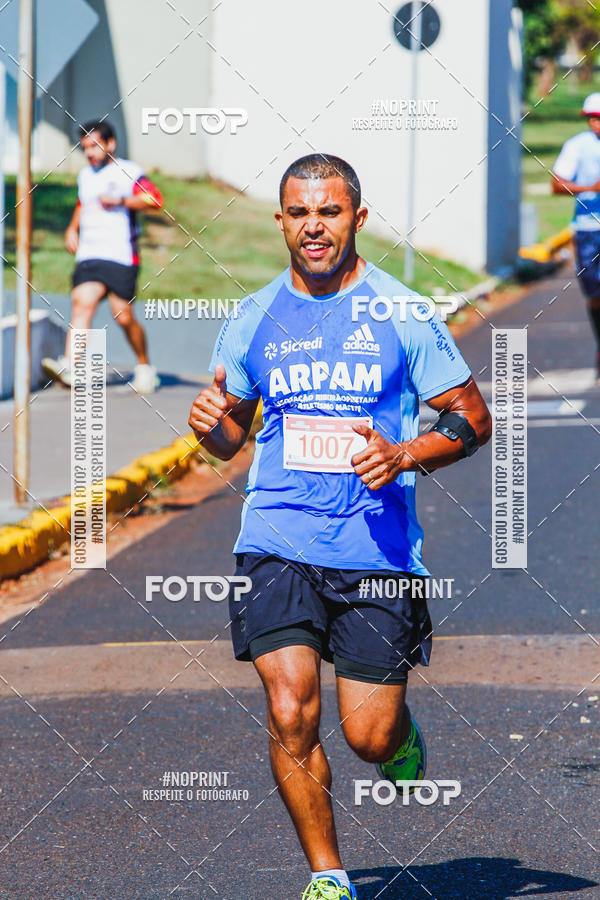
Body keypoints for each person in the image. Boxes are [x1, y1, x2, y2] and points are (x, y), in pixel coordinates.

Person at [188, 154, 492, 900]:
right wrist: (208, 431)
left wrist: (407, 453)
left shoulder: (402, 312)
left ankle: (400, 739)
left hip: (375, 553)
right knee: (290, 707)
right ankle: (329, 876)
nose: (313, 226)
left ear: (357, 218)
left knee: (368, 736)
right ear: (281, 221)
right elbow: (232, 435)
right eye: (299, 212)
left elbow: (471, 418)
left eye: (328, 211)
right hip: (277, 540)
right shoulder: (253, 315)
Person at [42, 120, 163, 393]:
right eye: (85, 148)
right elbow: (83, 203)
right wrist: (73, 228)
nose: (89, 153)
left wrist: (120, 201)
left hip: (121, 255)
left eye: (95, 146)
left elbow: (155, 200)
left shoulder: (129, 171)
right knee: (82, 303)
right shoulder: (85, 176)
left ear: (110, 144)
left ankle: (145, 367)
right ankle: (70, 366)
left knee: (122, 316)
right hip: (90, 253)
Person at [552, 92, 600, 381]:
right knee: (595, 295)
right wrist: (591, 189)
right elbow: (556, 185)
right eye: (592, 119)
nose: (596, 124)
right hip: (587, 230)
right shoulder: (577, 146)